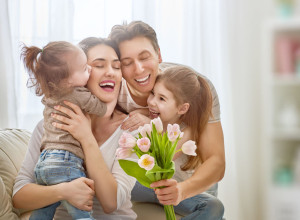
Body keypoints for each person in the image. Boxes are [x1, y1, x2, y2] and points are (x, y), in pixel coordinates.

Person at [109, 21, 225, 219]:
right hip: (140, 183)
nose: (138, 69)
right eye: (127, 63)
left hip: (189, 184)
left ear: (159, 55)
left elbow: (216, 161)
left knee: (212, 207)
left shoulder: (194, 87)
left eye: (144, 57)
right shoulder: (111, 92)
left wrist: (182, 190)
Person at [13, 37, 137, 220]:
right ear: (72, 75)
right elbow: (19, 197)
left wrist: (86, 137)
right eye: (99, 65)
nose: (111, 72)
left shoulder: (133, 130)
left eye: (117, 67)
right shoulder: (51, 124)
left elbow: (111, 203)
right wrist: (63, 191)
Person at [21, 41, 107, 219]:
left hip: (43, 164)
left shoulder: (50, 95)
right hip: (65, 163)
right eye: (84, 69)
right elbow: (101, 108)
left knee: (43, 212)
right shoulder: (77, 94)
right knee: (82, 215)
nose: (90, 70)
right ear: (67, 80)